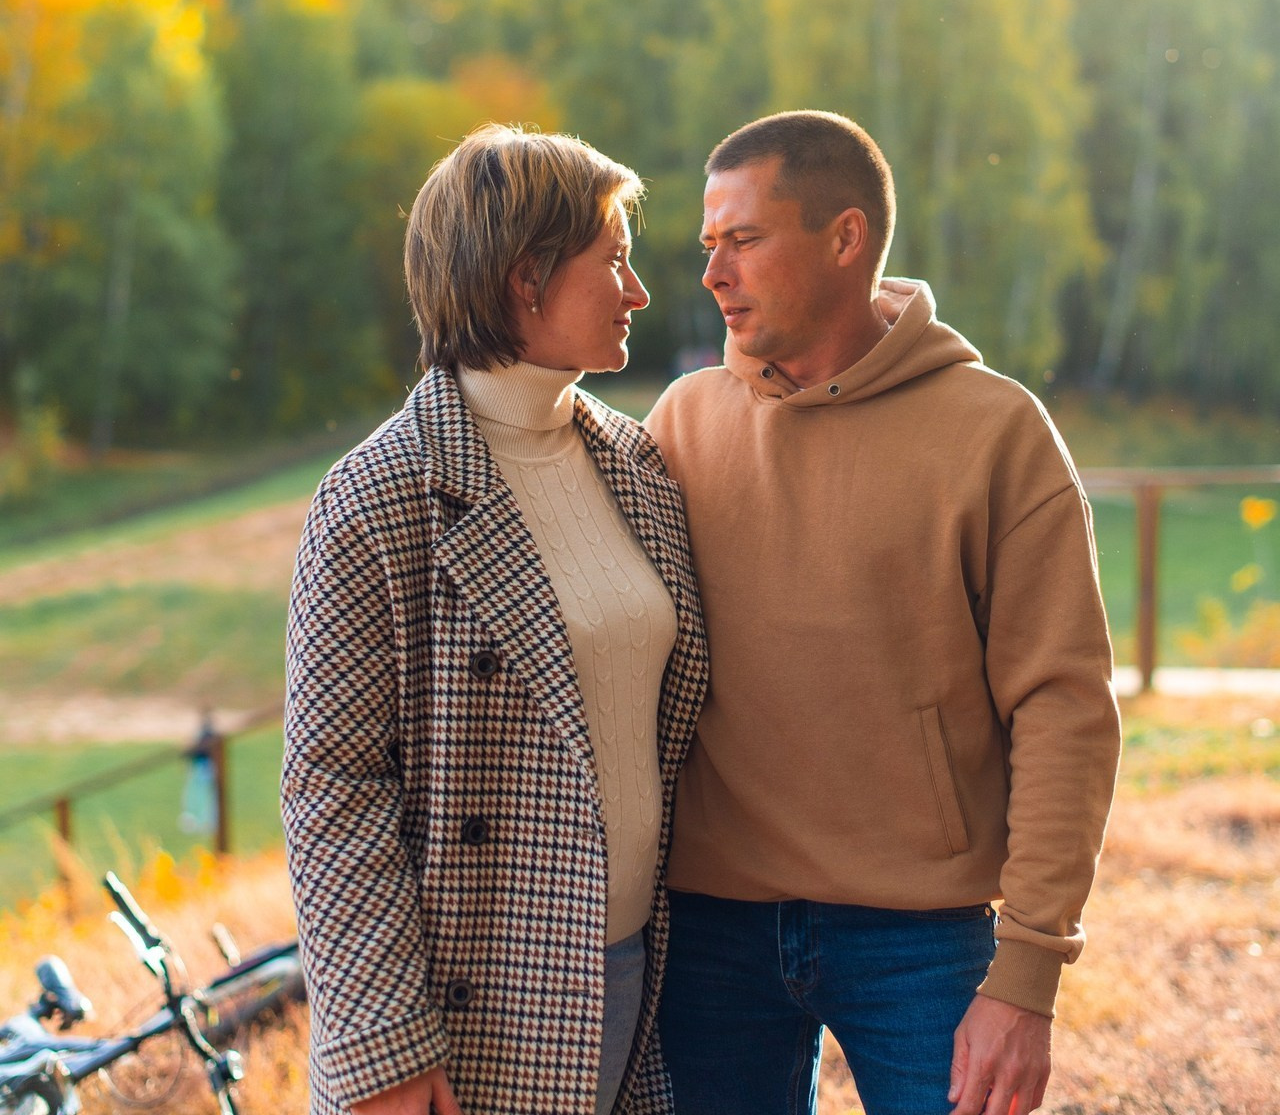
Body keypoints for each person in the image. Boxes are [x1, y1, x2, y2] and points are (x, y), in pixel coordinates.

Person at [644, 110, 1122, 1115]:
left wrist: (1027, 970)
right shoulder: (681, 424)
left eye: (742, 238)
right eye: (706, 245)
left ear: (844, 238)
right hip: (710, 927)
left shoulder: (993, 432)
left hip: (920, 930)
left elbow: (1063, 706)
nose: (712, 272)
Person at [281, 124, 708, 1115]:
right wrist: (381, 1044)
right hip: (470, 1012)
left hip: (640, 978)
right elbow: (332, 786)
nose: (636, 291)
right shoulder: (377, 496)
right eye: (614, 261)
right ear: (526, 280)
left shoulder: (638, 469)